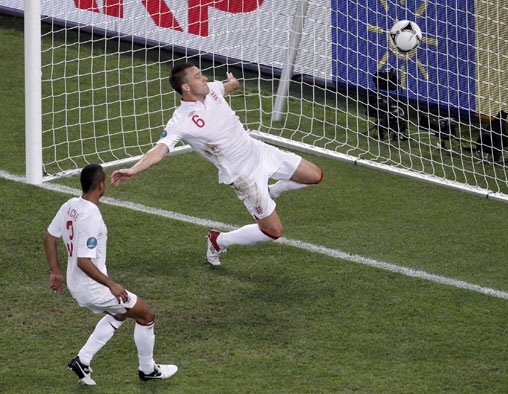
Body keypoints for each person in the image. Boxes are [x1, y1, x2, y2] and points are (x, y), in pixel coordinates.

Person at [110, 62, 323, 267]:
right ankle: (219, 240)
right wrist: (134, 169)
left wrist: (233, 82)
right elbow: (159, 150)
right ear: (186, 87)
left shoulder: (212, 89)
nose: (204, 78)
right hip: (243, 176)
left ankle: (272, 191)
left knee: (315, 176)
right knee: (273, 231)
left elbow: (228, 87)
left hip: (258, 151)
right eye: (197, 77)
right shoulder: (181, 121)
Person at [44, 164, 177, 386]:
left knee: (120, 313)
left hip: (76, 283)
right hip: (94, 288)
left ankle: (82, 360)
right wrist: (111, 285)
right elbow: (83, 261)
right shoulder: (91, 217)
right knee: (146, 315)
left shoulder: (70, 205)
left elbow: (49, 238)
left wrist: (55, 272)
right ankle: (148, 369)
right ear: (101, 185)